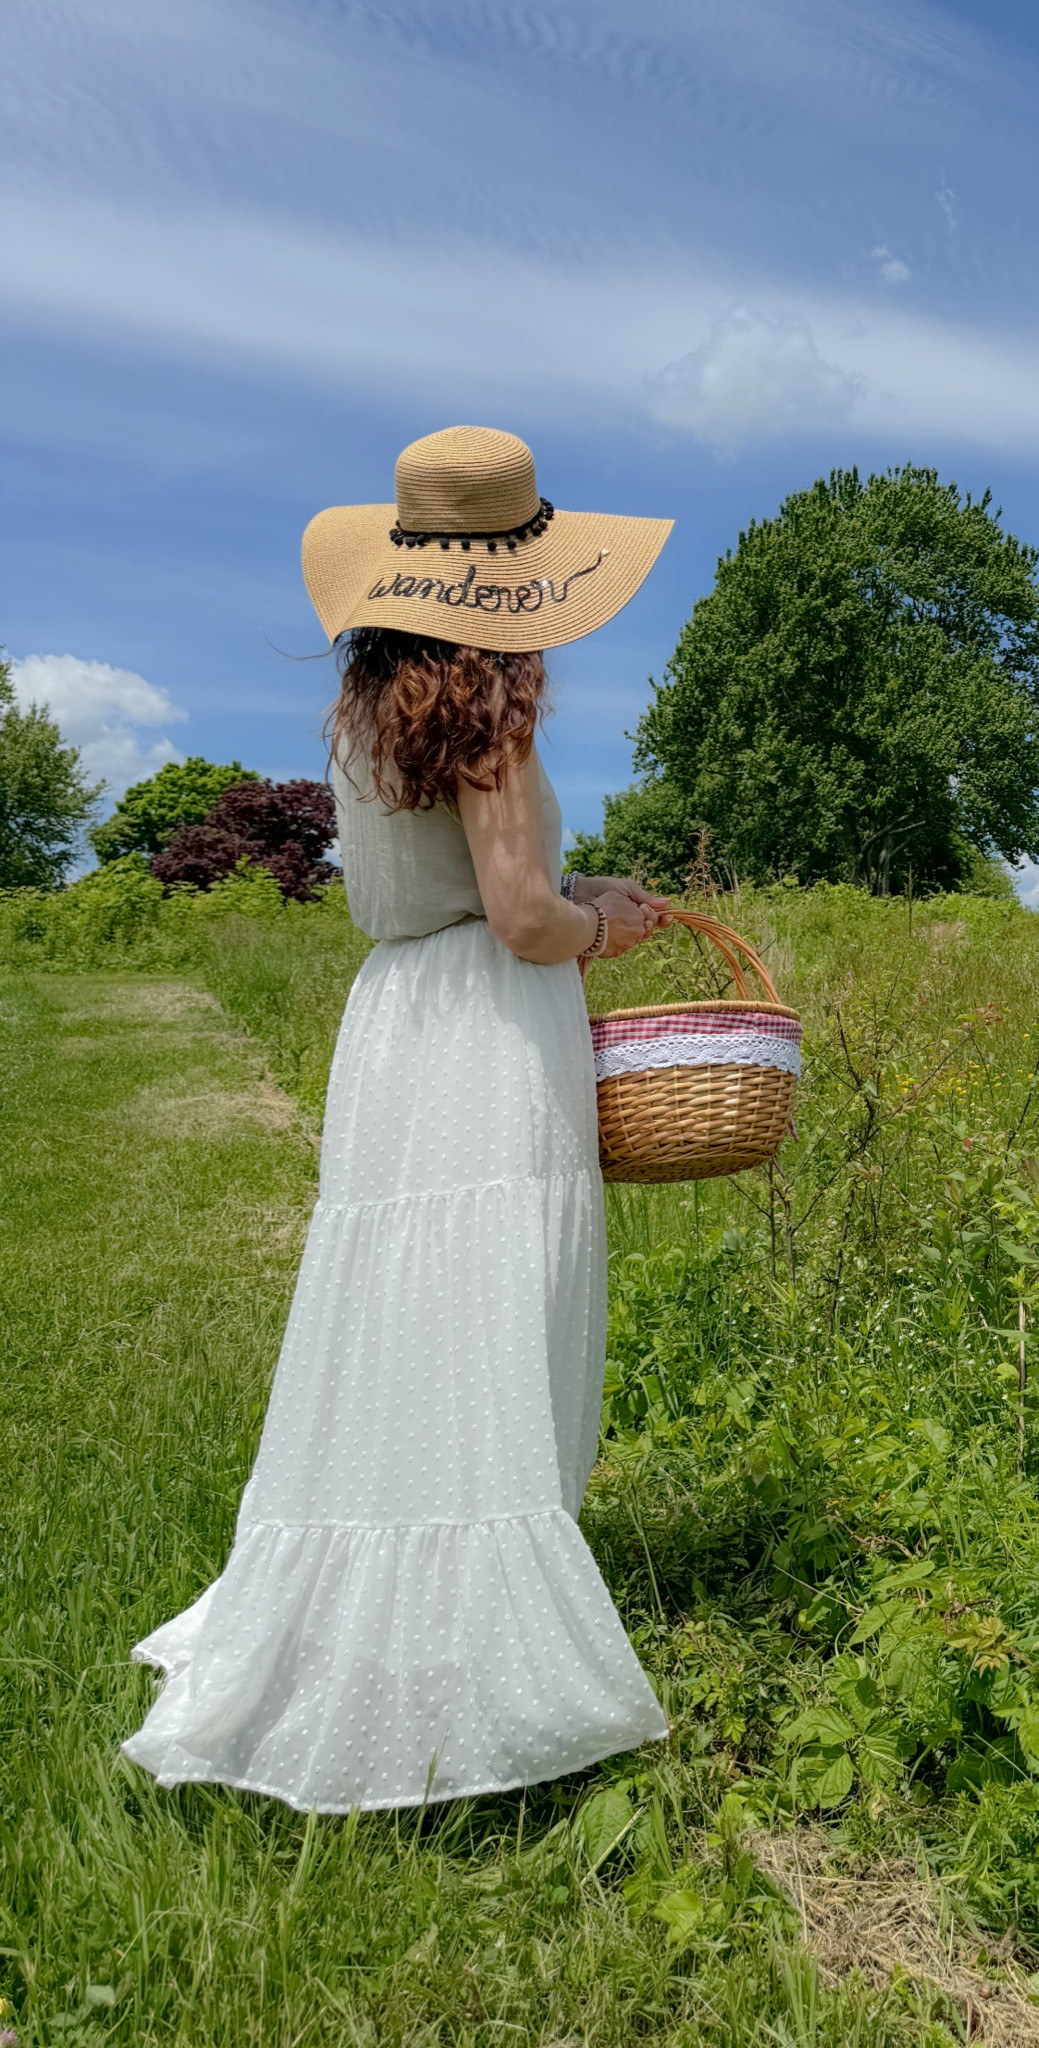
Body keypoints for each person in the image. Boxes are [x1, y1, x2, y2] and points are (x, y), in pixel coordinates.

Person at [122, 426, 675, 1811]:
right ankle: (466, 1670)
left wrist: (569, 882)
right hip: (487, 1029)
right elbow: (517, 915)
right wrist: (597, 921)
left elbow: (449, 883)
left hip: (398, 1023)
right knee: (492, 1303)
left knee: (406, 1313)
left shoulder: (375, 710)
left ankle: (370, 1619)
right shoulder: (492, 710)